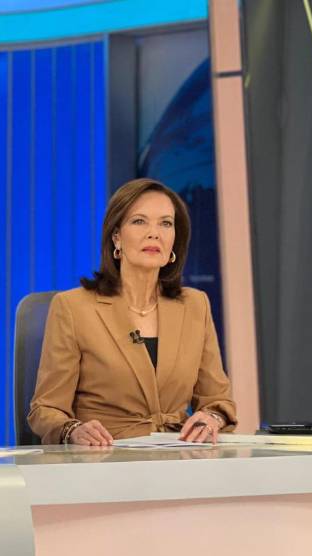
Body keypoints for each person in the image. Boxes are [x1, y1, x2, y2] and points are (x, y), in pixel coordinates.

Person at [27, 178, 237, 446]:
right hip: (104, 460)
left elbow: (218, 401)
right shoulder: (72, 307)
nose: (154, 233)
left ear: (175, 239)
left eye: (166, 223)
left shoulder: (195, 305)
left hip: (177, 459)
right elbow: (45, 410)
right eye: (139, 221)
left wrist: (211, 419)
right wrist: (73, 430)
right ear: (116, 236)